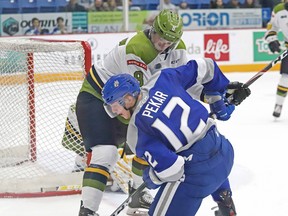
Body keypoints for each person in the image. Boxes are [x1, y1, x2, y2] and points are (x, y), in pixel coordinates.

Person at [102, 59, 251, 216]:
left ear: (128, 99)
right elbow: (207, 66)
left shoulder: (136, 131)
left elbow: (172, 169)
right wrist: (218, 95)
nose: (115, 112)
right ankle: (225, 201)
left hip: (199, 176)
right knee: (208, 150)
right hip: (224, 153)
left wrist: (151, 178)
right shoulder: (162, 78)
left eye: (114, 106)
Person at [75, 9, 188, 216]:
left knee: (149, 138)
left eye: (169, 42)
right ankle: (87, 211)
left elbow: (181, 84)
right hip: (97, 97)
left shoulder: (178, 49)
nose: (164, 45)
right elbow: (142, 99)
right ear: (153, 29)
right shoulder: (138, 48)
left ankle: (137, 197)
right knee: (106, 152)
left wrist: (210, 97)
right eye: (161, 39)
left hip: (128, 101)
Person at [265, 0, 288, 118]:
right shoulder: (279, 9)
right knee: (285, 79)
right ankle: (278, 105)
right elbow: (272, 26)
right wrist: (272, 39)